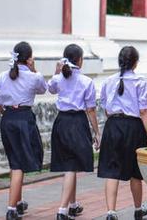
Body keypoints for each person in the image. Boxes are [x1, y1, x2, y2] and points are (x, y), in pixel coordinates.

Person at [0, 41, 48, 220]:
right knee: (18, 164)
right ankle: (11, 209)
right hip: (24, 118)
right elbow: (43, 89)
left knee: (14, 161)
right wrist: (34, 69)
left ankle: (17, 201)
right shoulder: (34, 77)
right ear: (29, 58)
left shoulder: (2, 76)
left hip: (8, 119)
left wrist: (7, 114)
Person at [97, 46, 147, 220]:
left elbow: (106, 110)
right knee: (135, 172)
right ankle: (137, 209)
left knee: (112, 170)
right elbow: (143, 111)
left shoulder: (108, 81)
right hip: (133, 127)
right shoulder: (141, 81)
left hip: (113, 126)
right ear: (135, 63)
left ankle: (111, 212)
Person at [48, 44, 100, 220]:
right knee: (71, 166)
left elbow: (51, 88)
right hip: (77, 123)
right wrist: (97, 133)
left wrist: (56, 72)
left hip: (61, 122)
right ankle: (62, 209)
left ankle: (73, 204)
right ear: (80, 60)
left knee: (72, 164)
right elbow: (91, 109)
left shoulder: (58, 79)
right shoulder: (87, 82)